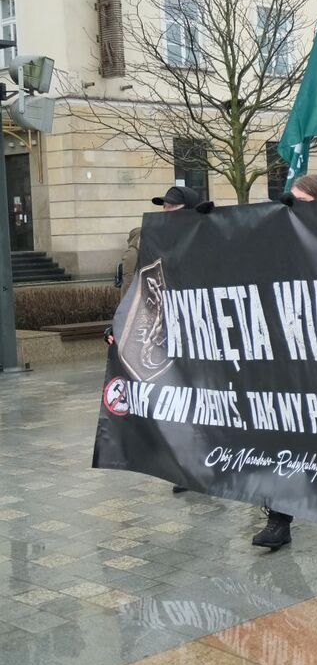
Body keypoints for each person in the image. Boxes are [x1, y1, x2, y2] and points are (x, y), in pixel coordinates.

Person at [250, 175, 317, 550]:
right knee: (278, 435)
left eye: (301, 203)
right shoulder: (275, 241)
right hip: (283, 359)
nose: (293, 211)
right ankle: (278, 519)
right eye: (289, 203)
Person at [111, 184, 205, 498]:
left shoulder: (203, 238)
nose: (165, 212)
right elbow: (136, 287)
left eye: (172, 207)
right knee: (180, 400)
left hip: (200, 333)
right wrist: (121, 323)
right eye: (163, 207)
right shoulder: (150, 241)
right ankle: (188, 467)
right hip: (167, 334)